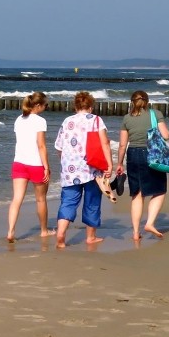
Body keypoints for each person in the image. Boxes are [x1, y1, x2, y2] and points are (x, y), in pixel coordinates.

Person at [54, 91, 113, 249]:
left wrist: (65, 162)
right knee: (92, 201)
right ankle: (90, 237)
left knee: (68, 201)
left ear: (75, 106)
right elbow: (105, 143)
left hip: (69, 169)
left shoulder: (67, 121)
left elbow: (59, 147)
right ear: (91, 107)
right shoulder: (96, 120)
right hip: (91, 168)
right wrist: (109, 164)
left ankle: (60, 233)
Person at [115, 90, 169, 240]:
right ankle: (150, 223)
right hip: (152, 154)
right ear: (147, 101)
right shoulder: (155, 114)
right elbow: (166, 135)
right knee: (159, 190)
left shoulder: (127, 118)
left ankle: (135, 233)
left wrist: (119, 163)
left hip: (133, 154)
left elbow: (122, 145)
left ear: (132, 102)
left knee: (137, 194)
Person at [6, 91, 54, 242]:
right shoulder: (40, 121)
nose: (46, 107)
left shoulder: (19, 119)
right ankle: (44, 231)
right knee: (40, 199)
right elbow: (41, 146)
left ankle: (11, 231)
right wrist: (46, 166)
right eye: (45, 105)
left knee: (16, 199)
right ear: (38, 106)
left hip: (19, 162)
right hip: (35, 164)